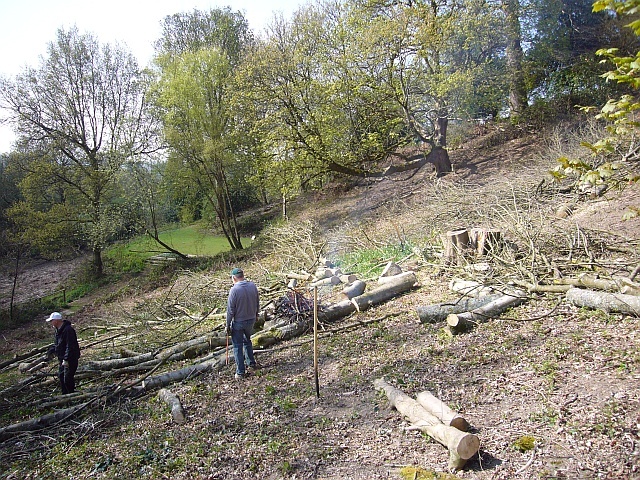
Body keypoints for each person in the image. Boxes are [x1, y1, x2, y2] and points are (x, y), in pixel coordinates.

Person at [226, 268, 260, 380]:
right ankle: (251, 363)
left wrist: (227, 325)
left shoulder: (234, 290)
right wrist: (256, 314)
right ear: (242, 276)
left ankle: (240, 372)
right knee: (247, 340)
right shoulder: (252, 286)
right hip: (251, 319)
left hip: (239, 321)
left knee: (237, 346)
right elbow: (257, 302)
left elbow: (230, 310)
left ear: (233, 278)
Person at [46, 312, 81, 394]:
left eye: (52, 321)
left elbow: (70, 346)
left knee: (67, 379)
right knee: (61, 377)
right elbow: (59, 345)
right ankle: (64, 396)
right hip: (62, 359)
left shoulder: (68, 330)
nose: (51, 323)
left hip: (70, 359)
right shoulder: (58, 331)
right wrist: (51, 351)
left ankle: (71, 396)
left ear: (56, 321)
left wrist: (66, 359)